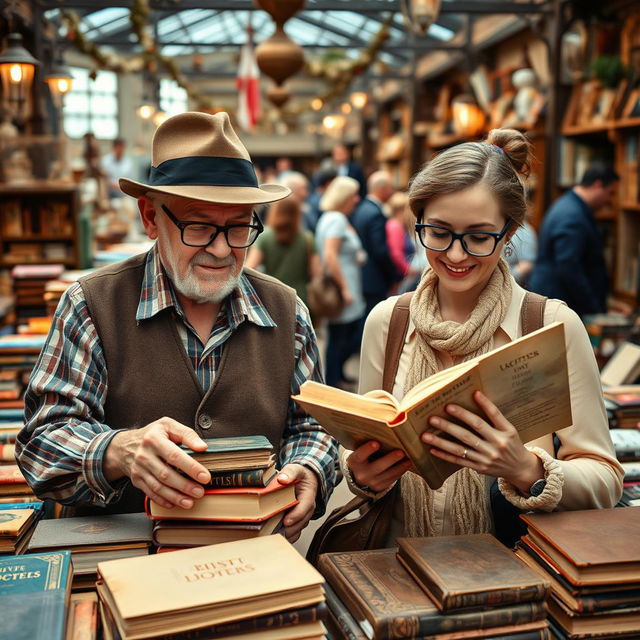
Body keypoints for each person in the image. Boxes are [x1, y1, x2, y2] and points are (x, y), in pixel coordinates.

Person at [15, 112, 338, 543]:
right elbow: (41, 444)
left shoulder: (287, 310)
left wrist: (310, 469)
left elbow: (312, 428)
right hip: (124, 565)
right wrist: (118, 452)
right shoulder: (92, 304)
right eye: (199, 226)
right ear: (150, 217)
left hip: (256, 566)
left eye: (239, 226)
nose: (222, 249)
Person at [342, 129, 623, 545]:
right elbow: (362, 449)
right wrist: (361, 474)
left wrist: (526, 468)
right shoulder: (388, 321)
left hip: (514, 571)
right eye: (438, 232)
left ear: (508, 233)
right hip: (397, 567)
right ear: (417, 221)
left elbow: (606, 477)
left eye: (478, 237)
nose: (456, 255)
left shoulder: (551, 324)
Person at [529, 164, 618, 316]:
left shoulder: (570, 205)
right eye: (610, 193)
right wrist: (594, 309)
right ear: (597, 185)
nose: (610, 200)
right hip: (562, 305)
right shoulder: (572, 215)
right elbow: (569, 267)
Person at [314, 176, 366, 389]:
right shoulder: (335, 219)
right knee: (341, 336)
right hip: (344, 286)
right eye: (353, 195)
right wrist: (344, 288)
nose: (357, 199)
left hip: (347, 283)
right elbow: (330, 256)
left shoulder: (334, 218)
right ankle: (334, 381)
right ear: (344, 197)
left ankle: (338, 376)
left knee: (341, 335)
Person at [246, 195, 320, 306]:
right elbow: (316, 273)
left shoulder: (264, 237)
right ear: (297, 213)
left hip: (273, 297)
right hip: (301, 299)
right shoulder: (307, 239)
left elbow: (249, 269)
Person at [351, 171, 401, 316]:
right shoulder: (375, 213)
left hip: (364, 276)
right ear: (382, 189)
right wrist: (394, 276)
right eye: (390, 187)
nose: (392, 192)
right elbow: (380, 250)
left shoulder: (362, 208)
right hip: (375, 279)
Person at [385, 191, 417, 293]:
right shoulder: (395, 226)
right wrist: (408, 270)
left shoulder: (399, 225)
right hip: (400, 277)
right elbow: (396, 254)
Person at [503, 218, 537, 288]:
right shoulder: (500, 226)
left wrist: (506, 278)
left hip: (512, 284)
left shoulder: (525, 232)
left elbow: (527, 264)